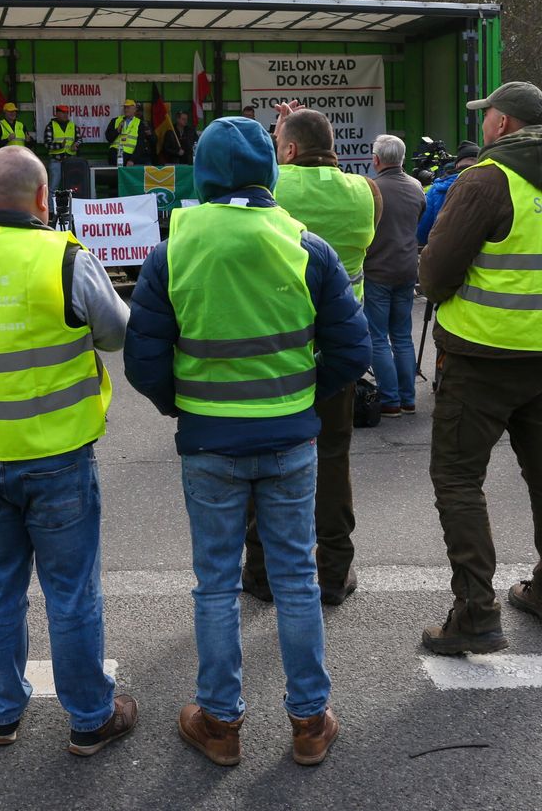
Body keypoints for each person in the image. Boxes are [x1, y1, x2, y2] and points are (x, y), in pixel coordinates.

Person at [126, 116, 367, 768]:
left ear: (202, 172)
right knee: (294, 577)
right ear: (269, 170)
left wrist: (186, 405)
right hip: (290, 441)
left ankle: (222, 723)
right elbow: (352, 349)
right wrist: (297, 395)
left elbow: (142, 359)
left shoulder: (173, 245)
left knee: (214, 584)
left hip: (209, 445)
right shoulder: (304, 245)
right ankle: (310, 722)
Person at [0, 145, 136, 755]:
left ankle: (2, 713)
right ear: (43, 200)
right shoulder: (63, 257)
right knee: (70, 590)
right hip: (59, 455)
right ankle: (90, 716)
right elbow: (117, 333)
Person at [417, 81, 542, 655]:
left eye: (487, 114)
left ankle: (475, 612)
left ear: (504, 125)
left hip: (483, 353)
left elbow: (436, 270)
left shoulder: (487, 179)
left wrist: (444, 293)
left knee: (458, 477)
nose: (484, 123)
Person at [242, 105, 379, 608]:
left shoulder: (273, 191)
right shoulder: (367, 192)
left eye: (279, 142)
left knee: (264, 460)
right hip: (339, 353)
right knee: (334, 461)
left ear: (290, 151)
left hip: (278, 351)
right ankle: (334, 571)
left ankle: (260, 572)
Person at [363, 135, 425, 416]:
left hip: (378, 270)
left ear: (376, 159)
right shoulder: (416, 188)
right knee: (402, 335)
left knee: (377, 337)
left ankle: (389, 400)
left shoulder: (371, 189)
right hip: (407, 269)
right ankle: (408, 398)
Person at [416, 141, 479, 245]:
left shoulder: (436, 190)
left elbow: (422, 232)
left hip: (442, 253)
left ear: (457, 164)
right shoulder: (491, 186)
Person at [43, 103, 80, 190]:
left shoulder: (73, 126)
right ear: (57, 114)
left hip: (71, 160)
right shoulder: (50, 126)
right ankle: (52, 204)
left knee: (71, 186)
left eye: (67, 113)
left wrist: (76, 145)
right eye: (63, 112)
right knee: (53, 186)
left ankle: (70, 204)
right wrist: (60, 145)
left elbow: (79, 139)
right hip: (56, 160)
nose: (65, 115)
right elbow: (47, 144)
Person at [106, 99, 149, 166]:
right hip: (115, 155)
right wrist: (117, 130)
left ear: (134, 110)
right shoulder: (115, 121)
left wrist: (132, 160)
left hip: (130, 157)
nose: (126, 110)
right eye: (125, 107)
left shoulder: (140, 124)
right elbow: (108, 138)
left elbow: (141, 144)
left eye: (128, 108)